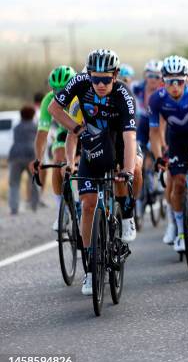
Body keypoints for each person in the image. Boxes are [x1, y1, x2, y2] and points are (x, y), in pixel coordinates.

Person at [48, 49, 141, 295]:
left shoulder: (123, 94)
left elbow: (130, 137)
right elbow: (54, 110)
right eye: (95, 78)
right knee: (88, 205)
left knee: (133, 170)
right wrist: (78, 129)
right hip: (93, 145)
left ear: (116, 75)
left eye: (106, 79)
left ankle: (127, 216)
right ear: (88, 75)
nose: (100, 84)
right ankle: (90, 272)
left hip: (119, 142)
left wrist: (128, 170)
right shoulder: (80, 83)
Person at [149, 55, 188, 252]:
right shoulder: (156, 99)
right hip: (176, 140)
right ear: (164, 81)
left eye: (179, 81)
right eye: (170, 82)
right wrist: (159, 156)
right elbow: (154, 131)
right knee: (177, 184)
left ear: (187, 80)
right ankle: (181, 232)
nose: (175, 86)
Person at [29, 65, 77, 229]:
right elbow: (42, 134)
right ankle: (62, 210)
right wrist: (39, 158)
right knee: (58, 160)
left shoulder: (83, 95)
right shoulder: (48, 100)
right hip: (65, 133)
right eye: (55, 90)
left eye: (63, 89)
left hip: (86, 133)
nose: (59, 94)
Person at [8, 105, 38, 215]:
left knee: (14, 183)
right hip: (31, 155)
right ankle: (34, 205)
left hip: (15, 155)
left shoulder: (16, 127)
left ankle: (14, 208)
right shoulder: (35, 127)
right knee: (34, 181)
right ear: (32, 115)